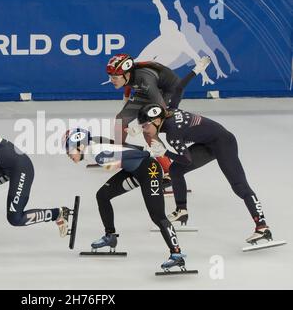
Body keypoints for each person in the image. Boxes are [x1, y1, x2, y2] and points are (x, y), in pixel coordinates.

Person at [136, 104, 273, 244]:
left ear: (158, 121)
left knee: (240, 186)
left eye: (145, 126)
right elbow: (176, 92)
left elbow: (187, 160)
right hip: (207, 143)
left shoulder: (173, 134)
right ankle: (181, 210)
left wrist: (165, 153)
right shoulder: (169, 112)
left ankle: (262, 227)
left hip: (224, 143)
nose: (144, 130)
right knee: (175, 170)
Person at [64, 128, 189, 270]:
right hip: (134, 171)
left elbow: (134, 153)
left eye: (69, 150)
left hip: (149, 170)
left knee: (157, 216)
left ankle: (176, 255)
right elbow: (125, 147)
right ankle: (110, 236)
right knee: (102, 195)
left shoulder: (98, 153)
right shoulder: (94, 148)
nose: (68, 154)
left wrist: (146, 153)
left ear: (80, 146)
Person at [106, 53, 211, 186]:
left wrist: (141, 127)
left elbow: (161, 110)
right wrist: (126, 98)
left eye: (115, 77)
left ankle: (169, 173)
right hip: (146, 90)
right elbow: (129, 84)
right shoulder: (130, 74)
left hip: (167, 92)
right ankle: (118, 153)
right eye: (111, 77)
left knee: (149, 132)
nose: (112, 80)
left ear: (126, 74)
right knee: (121, 118)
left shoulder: (144, 78)